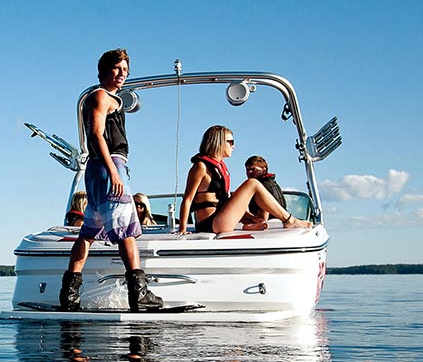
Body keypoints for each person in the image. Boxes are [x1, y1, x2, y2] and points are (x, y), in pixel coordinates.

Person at [59, 49, 162, 312]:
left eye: (125, 70)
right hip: (108, 166)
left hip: (101, 170)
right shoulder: (101, 96)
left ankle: (69, 296)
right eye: (117, 68)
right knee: (127, 231)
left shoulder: (110, 99)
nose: (122, 74)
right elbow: (96, 134)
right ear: (104, 69)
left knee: (88, 232)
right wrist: (114, 171)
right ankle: (139, 296)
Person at [177, 125, 312, 235]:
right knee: (252, 183)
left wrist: (247, 215)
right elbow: (188, 199)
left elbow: (224, 200)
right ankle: (289, 220)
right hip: (210, 223)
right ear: (218, 142)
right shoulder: (200, 167)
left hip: (219, 218)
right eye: (231, 142)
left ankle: (250, 224)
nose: (233, 146)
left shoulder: (219, 166)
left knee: (241, 195)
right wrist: (182, 229)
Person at [245, 155, 287, 221]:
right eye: (247, 170)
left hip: (270, 226)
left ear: (264, 170)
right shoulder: (272, 184)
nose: (249, 172)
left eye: (254, 169)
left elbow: (262, 218)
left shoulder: (263, 186)